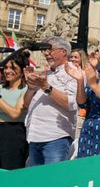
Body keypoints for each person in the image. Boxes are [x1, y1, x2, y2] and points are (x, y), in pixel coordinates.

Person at [23, 36, 77, 166]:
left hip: (56, 138)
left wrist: (45, 87)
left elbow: (71, 103)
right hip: (34, 136)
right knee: (35, 182)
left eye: (49, 49)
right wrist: (30, 87)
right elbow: (25, 104)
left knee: (53, 182)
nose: (46, 54)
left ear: (63, 51)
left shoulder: (73, 73)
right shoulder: (45, 73)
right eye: (45, 51)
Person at [0, 49, 29, 169]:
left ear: (22, 71)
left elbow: (15, 114)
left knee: (9, 169)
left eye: (13, 68)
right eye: (5, 68)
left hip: (13, 133)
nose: (8, 71)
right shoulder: (1, 87)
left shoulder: (26, 89)